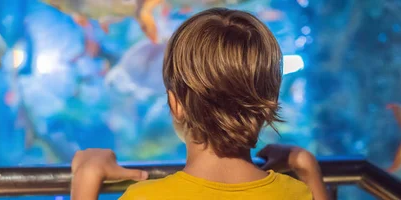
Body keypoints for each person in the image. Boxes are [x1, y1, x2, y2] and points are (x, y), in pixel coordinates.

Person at [71, 8, 330, 200]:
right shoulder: (296, 194)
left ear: (176, 104)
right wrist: (308, 167)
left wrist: (86, 176)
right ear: (269, 103)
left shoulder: (144, 197)